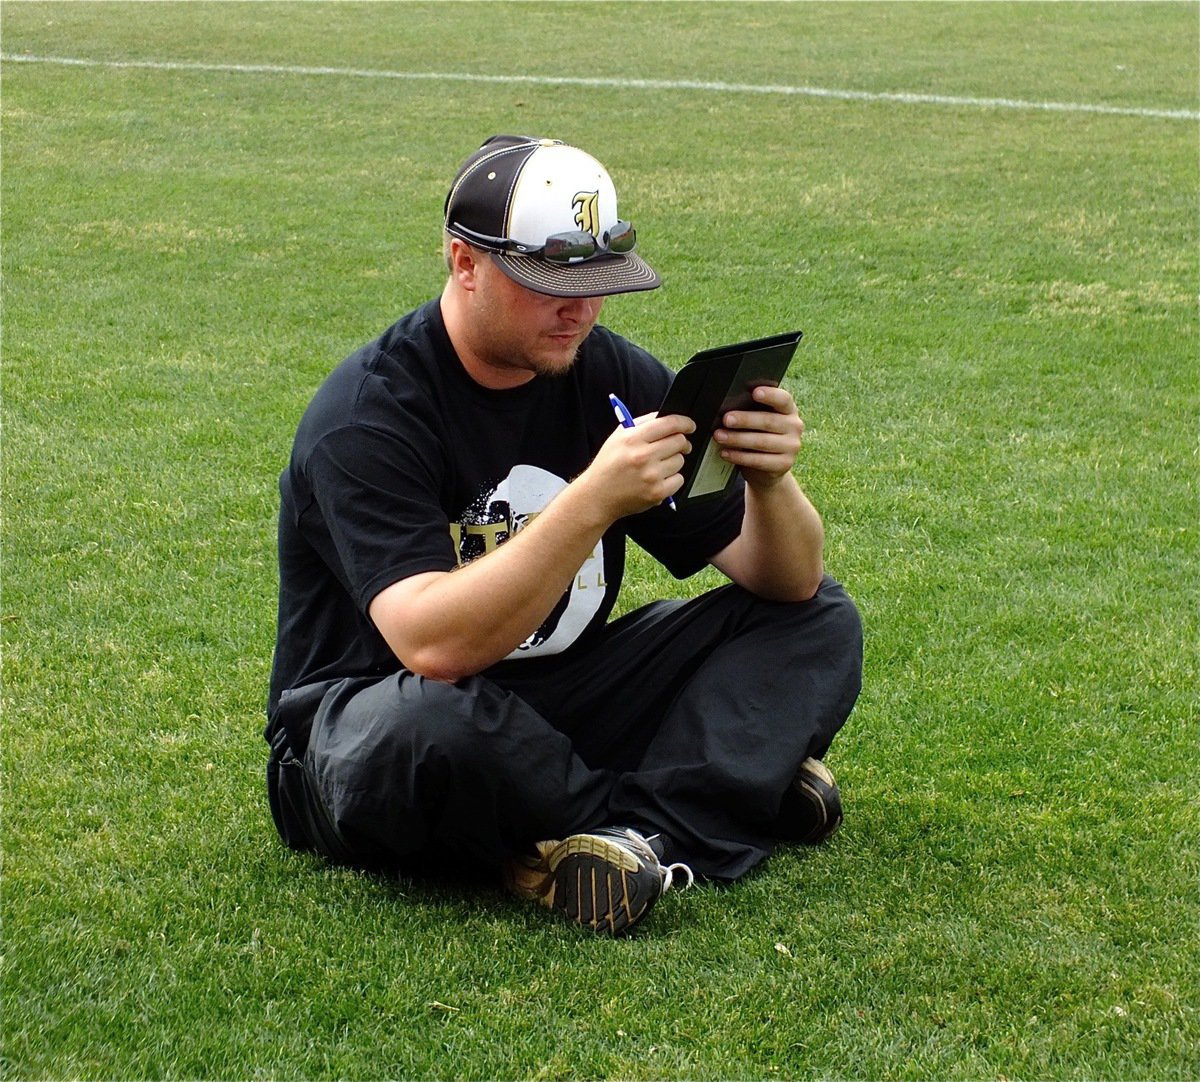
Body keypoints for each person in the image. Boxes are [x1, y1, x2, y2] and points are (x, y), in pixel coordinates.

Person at [265, 135, 863, 935]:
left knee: (819, 618)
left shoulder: (605, 370)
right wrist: (592, 503)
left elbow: (783, 581)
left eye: (598, 283)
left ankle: (625, 838)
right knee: (433, 731)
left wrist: (769, 479)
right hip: (371, 721)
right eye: (548, 283)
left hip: (555, 705)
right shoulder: (369, 416)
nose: (579, 310)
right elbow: (432, 647)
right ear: (464, 261)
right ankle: (710, 797)